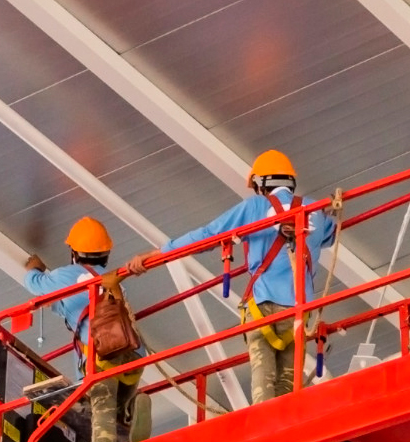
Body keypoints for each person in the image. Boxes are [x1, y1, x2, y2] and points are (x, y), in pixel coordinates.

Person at [126, 150, 335, 404]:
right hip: (299, 310)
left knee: (263, 379)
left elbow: (208, 235)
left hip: (263, 306)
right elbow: (330, 235)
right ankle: (285, 421)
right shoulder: (316, 210)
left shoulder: (254, 207)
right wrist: (327, 213)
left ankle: (263, 421)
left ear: (261, 183)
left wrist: (159, 253)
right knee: (288, 386)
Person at [24, 216, 152, 442]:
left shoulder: (66, 275)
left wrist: (33, 267)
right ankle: (132, 409)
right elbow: (68, 307)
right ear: (106, 254)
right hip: (133, 351)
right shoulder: (114, 279)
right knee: (118, 405)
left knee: (101, 404)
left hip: (103, 353)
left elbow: (34, 283)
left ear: (74, 252)